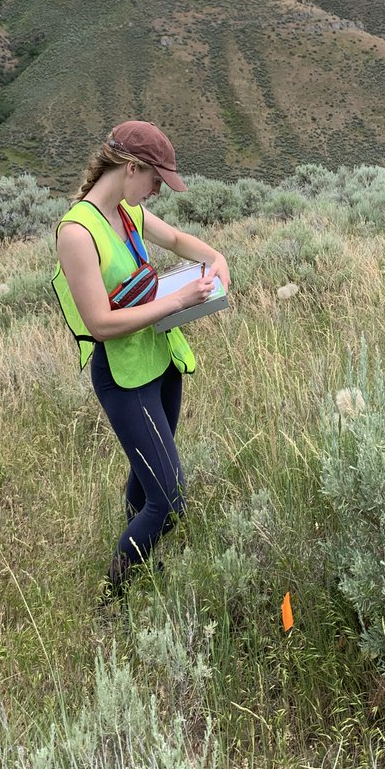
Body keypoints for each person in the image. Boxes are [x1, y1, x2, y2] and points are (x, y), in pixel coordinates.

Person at [52, 120, 230, 604]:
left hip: (160, 362)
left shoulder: (127, 211)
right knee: (170, 502)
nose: (156, 191)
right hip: (125, 377)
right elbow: (100, 323)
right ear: (131, 168)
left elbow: (175, 240)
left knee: (147, 473)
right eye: (155, 180)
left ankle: (140, 566)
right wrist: (180, 300)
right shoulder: (76, 231)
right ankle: (114, 592)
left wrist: (215, 256)